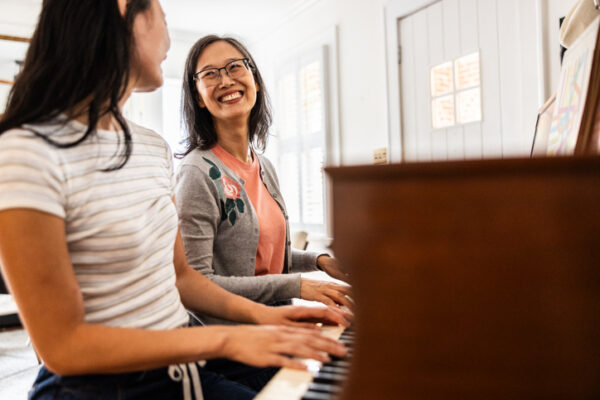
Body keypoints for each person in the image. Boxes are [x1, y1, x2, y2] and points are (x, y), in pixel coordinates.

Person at [0, 1, 349, 399]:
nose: (168, 35)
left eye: (236, 67)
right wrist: (227, 341)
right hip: (97, 387)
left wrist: (270, 317)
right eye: (162, 17)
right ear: (122, 12)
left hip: (179, 369)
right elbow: (63, 348)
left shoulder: (152, 147)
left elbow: (182, 278)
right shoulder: (25, 151)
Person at [176, 35, 351, 324]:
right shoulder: (197, 172)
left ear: (254, 80)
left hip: (278, 320)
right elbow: (198, 285)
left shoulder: (264, 166)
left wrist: (320, 261)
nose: (226, 80)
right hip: (233, 340)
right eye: (210, 73)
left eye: (234, 67)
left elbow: (265, 258)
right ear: (198, 97)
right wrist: (299, 286)